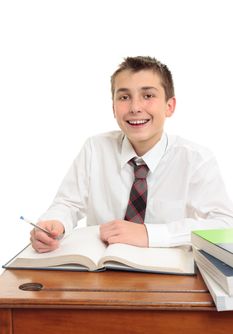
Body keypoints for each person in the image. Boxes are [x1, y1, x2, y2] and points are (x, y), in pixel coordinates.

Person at [31, 56, 233, 253]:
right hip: (102, 271)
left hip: (170, 276)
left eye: (148, 96)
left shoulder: (196, 159)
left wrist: (150, 234)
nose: (135, 108)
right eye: (124, 97)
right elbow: (67, 203)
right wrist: (55, 223)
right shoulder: (95, 148)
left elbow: (225, 226)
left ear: (169, 106)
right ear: (113, 108)